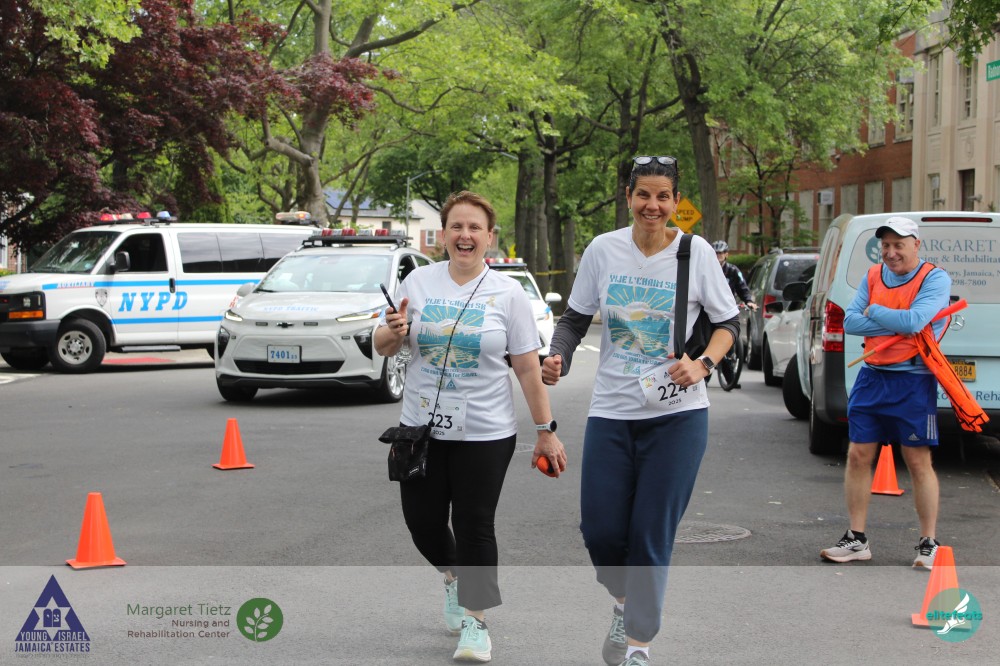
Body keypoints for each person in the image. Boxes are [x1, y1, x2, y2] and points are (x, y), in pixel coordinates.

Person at [541, 156, 739, 666]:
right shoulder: (603, 249)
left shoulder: (695, 254)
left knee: (651, 533)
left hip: (678, 416)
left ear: (676, 202)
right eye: (643, 195)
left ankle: (638, 646)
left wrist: (704, 364)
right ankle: (624, 603)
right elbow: (574, 319)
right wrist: (557, 356)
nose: (653, 205)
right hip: (612, 411)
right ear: (628, 197)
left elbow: (728, 324)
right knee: (602, 532)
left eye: (663, 196)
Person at [374, 190, 566, 663]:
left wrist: (545, 428)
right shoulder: (418, 282)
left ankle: (476, 623)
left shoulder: (509, 293)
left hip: (486, 432)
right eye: (456, 227)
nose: (465, 235)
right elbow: (382, 344)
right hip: (420, 430)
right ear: (443, 235)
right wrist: (392, 331)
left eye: (474, 228)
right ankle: (454, 577)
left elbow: (527, 368)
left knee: (475, 524)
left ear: (489, 237)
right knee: (422, 524)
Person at [820, 216, 951, 569]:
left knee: (918, 460)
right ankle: (856, 539)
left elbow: (915, 322)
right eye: (886, 245)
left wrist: (875, 311)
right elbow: (851, 322)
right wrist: (897, 320)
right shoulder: (873, 275)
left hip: (913, 380)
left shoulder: (934, 278)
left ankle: (928, 542)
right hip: (872, 376)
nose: (891, 253)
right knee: (858, 455)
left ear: (916, 245)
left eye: (899, 245)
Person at [711, 240, 757, 311]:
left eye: (720, 253)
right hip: (710, 308)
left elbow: (742, 287)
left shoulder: (733, 270)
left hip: (728, 309)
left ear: (726, 254)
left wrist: (749, 301)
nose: (718, 255)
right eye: (716, 253)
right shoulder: (706, 270)